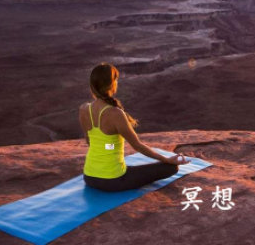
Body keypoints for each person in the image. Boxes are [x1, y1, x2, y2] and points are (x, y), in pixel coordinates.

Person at [79, 62, 191, 192]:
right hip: (113, 181)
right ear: (112, 84)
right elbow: (137, 146)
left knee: (131, 168)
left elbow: (90, 142)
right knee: (171, 168)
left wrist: (110, 146)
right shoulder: (115, 113)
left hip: (89, 177)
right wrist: (166, 159)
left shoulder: (83, 109)